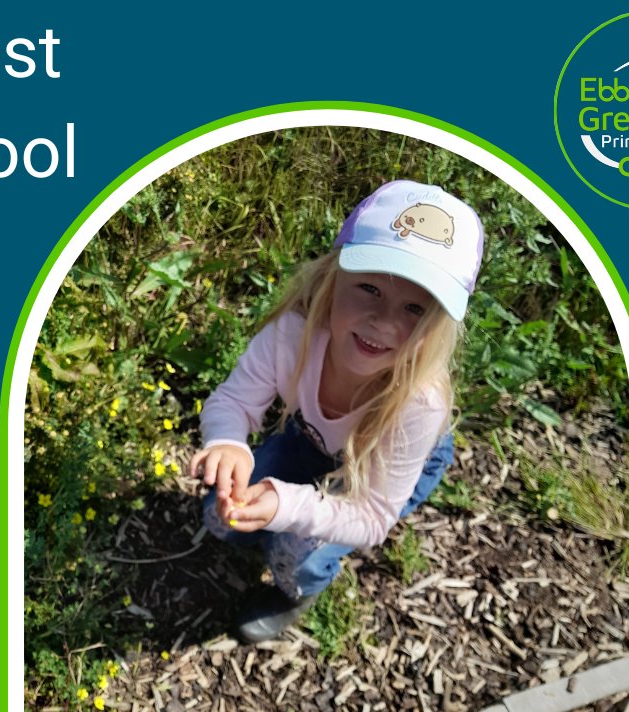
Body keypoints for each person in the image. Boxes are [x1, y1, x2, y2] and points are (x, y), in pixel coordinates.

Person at [189, 180, 484, 643]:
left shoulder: (419, 403)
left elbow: (369, 515)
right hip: (309, 439)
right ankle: (275, 525)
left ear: (439, 326)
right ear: (331, 276)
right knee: (219, 515)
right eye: (369, 287)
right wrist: (227, 441)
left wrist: (285, 505)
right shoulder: (293, 335)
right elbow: (234, 401)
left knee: (301, 553)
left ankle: (296, 592)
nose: (384, 322)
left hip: (376, 466)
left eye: (415, 308)